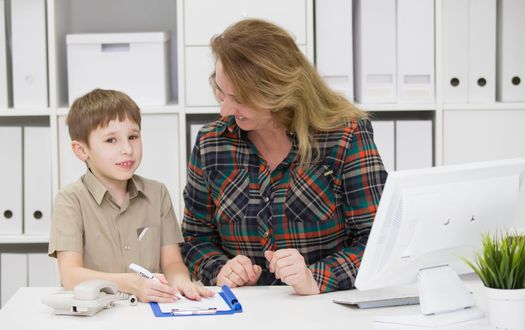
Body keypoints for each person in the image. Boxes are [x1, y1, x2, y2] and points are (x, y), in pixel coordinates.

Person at [181, 19, 387, 295]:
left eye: (239, 99)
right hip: (244, 313)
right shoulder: (212, 144)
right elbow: (195, 239)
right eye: (221, 92)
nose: (225, 111)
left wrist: (315, 278)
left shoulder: (345, 136)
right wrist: (221, 269)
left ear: (278, 92)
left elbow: (377, 241)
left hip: (327, 311)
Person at [48, 89, 212, 303]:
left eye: (133, 137)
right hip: (95, 314)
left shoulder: (157, 193)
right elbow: (71, 275)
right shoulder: (70, 200)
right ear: (81, 150)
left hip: (149, 312)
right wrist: (134, 284)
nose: (127, 149)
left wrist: (181, 281)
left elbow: (172, 263)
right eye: (111, 140)